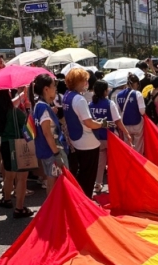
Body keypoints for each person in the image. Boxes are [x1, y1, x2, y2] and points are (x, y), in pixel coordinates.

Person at [64, 67, 105, 198]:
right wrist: (101, 123)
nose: (87, 83)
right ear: (79, 81)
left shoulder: (67, 96)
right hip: (88, 141)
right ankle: (85, 200)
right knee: (88, 174)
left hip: (76, 139)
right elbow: (89, 122)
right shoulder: (79, 99)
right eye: (85, 80)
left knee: (82, 172)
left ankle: (80, 198)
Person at [0, 88, 33, 218]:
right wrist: (28, 110)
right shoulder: (14, 112)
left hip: (5, 144)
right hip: (18, 144)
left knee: (9, 176)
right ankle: (19, 208)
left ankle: (6, 199)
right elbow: (28, 126)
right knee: (22, 178)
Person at [89, 80, 130, 190]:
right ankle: (114, 184)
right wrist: (127, 133)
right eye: (107, 89)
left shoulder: (90, 105)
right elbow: (118, 121)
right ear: (104, 91)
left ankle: (98, 183)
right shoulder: (109, 103)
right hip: (110, 137)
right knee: (113, 162)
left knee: (100, 162)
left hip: (96, 138)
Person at [32, 73, 66, 191]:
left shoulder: (38, 105)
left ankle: (52, 208)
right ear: (46, 89)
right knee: (54, 184)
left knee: (51, 181)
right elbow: (47, 133)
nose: (55, 88)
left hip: (44, 150)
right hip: (51, 151)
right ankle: (54, 208)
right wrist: (57, 154)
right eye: (53, 86)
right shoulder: (43, 107)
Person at [114, 73, 146, 153]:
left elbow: (117, 111)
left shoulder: (118, 95)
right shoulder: (137, 94)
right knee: (138, 146)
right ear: (136, 83)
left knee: (128, 145)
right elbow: (142, 111)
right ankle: (138, 162)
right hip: (137, 123)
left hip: (125, 125)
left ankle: (129, 162)